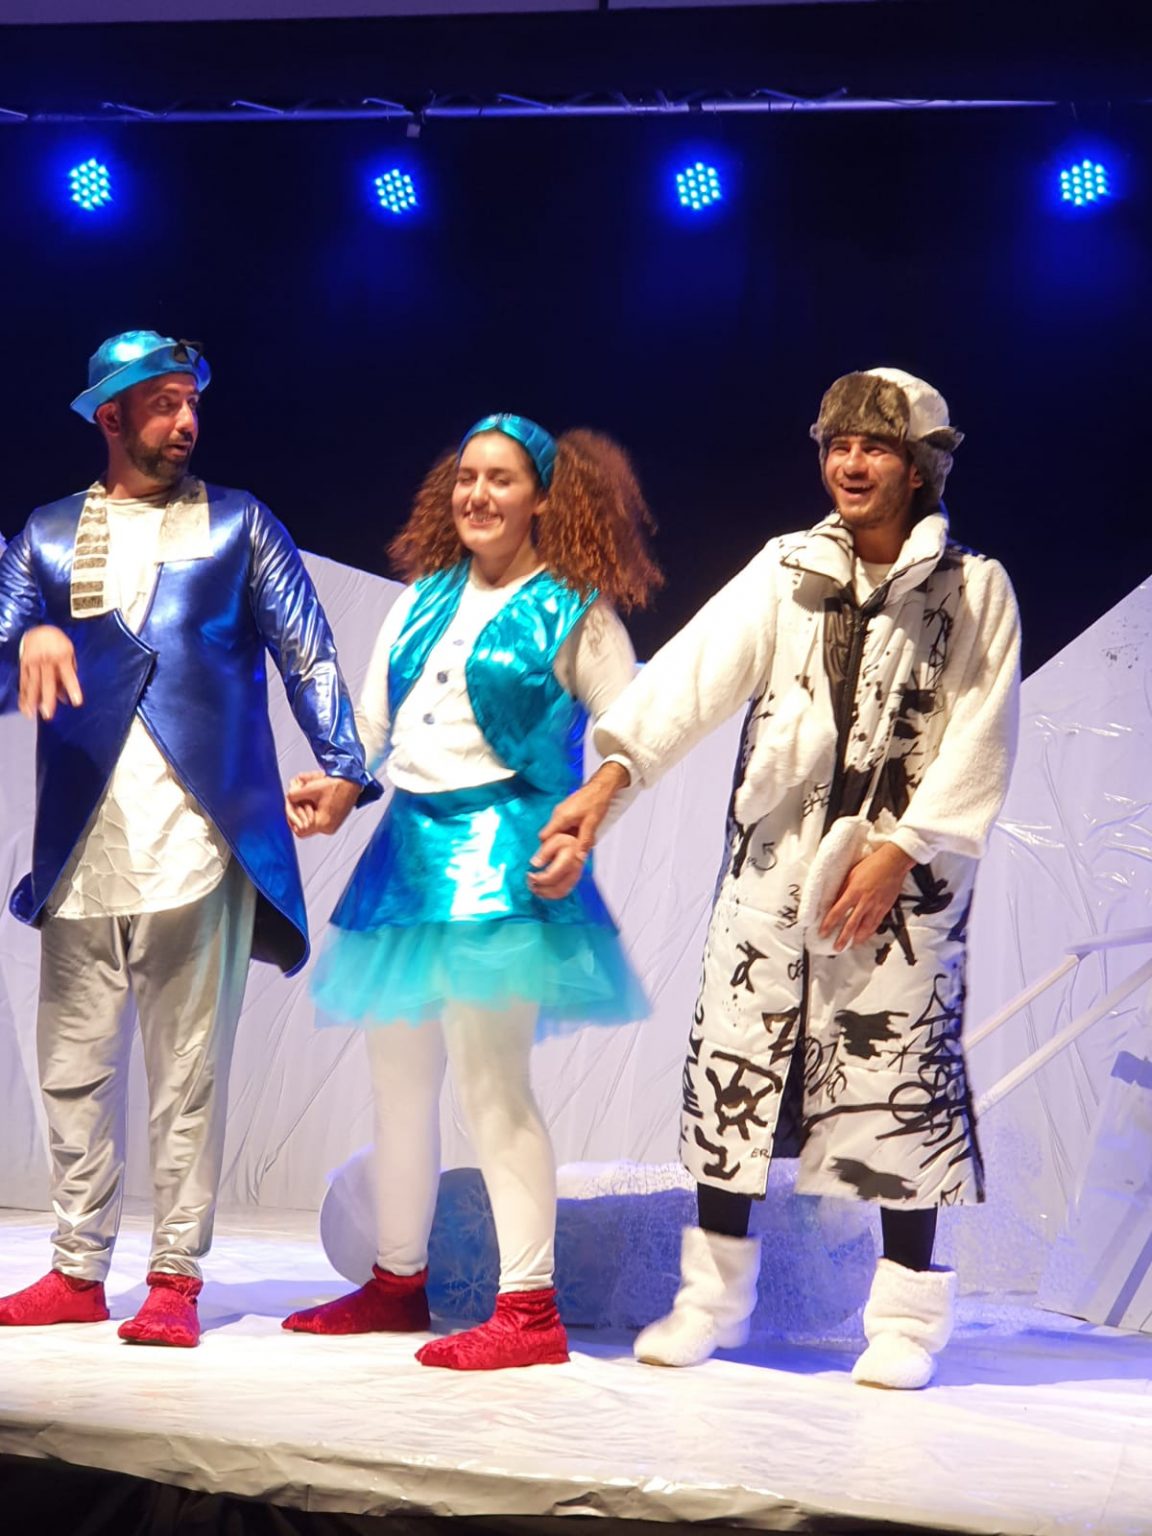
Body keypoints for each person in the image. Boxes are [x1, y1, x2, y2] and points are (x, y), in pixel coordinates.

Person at [536, 369, 1021, 1389]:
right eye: (838, 444)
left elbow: (982, 734)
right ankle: (710, 1302)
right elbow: (689, 678)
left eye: (876, 446)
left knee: (900, 1085)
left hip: (903, 882)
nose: (852, 463)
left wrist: (901, 852)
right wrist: (606, 782)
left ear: (919, 466)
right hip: (773, 867)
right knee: (737, 1069)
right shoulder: (786, 571)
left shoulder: (973, 589)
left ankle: (906, 1321)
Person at [0, 330, 377, 1348]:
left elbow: (308, 651)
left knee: (188, 1072)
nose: (186, 420)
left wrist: (344, 765)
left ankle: (174, 1276)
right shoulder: (46, 534)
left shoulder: (239, 524)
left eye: (191, 401)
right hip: (83, 842)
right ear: (110, 415)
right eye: (163, 402)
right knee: (71, 1069)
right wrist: (27, 635)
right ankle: (76, 1269)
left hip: (199, 838)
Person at [282, 412, 660, 1370]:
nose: (478, 495)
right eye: (467, 477)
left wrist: (584, 828)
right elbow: (372, 730)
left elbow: (633, 737)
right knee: (398, 1086)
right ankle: (396, 1281)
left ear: (542, 498)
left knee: (495, 1087)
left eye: (501, 479)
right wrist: (339, 789)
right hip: (406, 863)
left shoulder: (575, 610)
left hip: (503, 864)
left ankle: (529, 1310)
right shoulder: (422, 600)